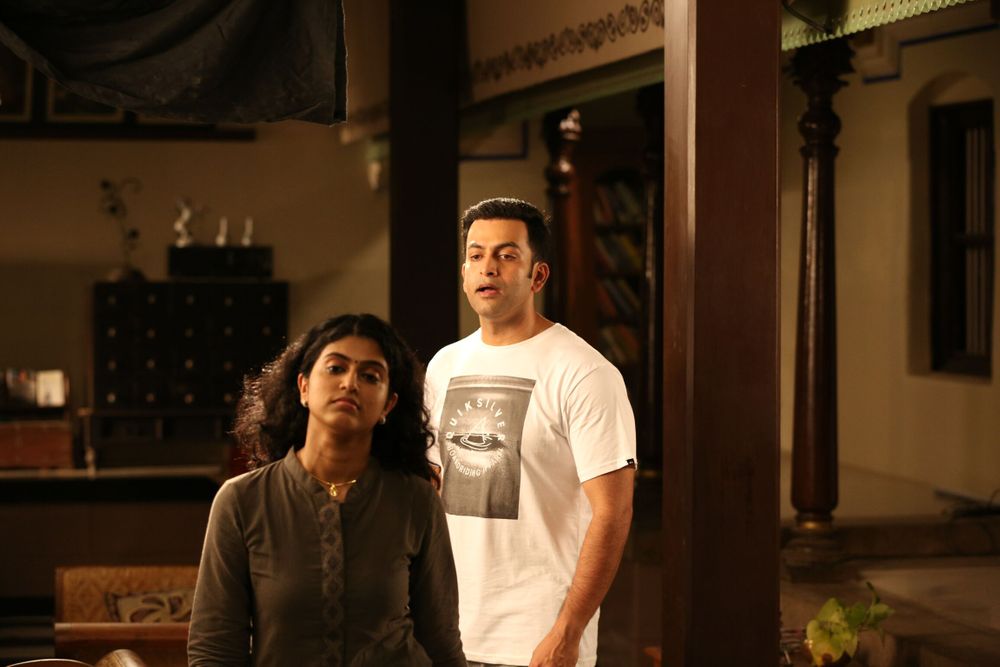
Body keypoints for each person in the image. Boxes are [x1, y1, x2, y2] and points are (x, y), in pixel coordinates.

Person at [425, 198, 637, 667]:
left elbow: (614, 512)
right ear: (464, 273)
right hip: (448, 632)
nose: (488, 268)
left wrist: (568, 631)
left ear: (537, 276)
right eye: (476, 255)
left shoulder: (584, 373)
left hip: (538, 639)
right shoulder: (444, 365)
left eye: (506, 255)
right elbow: (430, 490)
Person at [188, 313, 467, 667]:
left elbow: (441, 642)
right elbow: (214, 650)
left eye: (370, 376)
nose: (350, 383)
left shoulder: (415, 500)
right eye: (336, 368)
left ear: (388, 404)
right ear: (303, 386)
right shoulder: (243, 500)